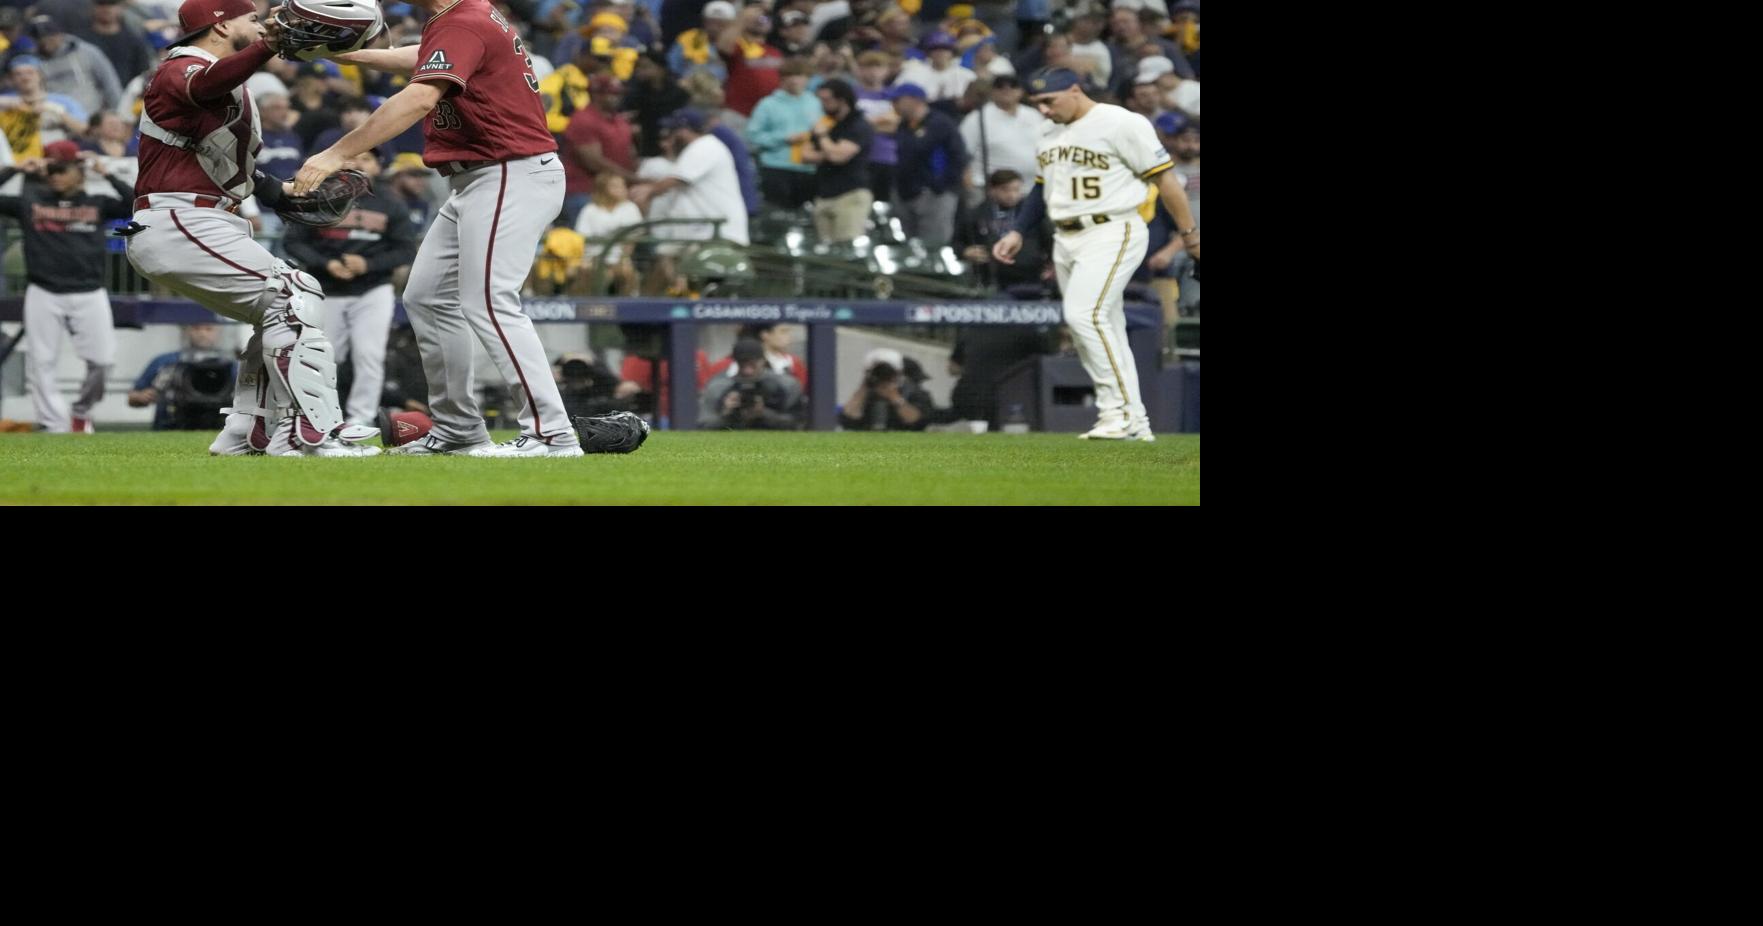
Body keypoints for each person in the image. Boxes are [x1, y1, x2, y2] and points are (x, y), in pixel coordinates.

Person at [311, 0, 584, 457]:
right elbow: (420, 56)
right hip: (482, 178)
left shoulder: (465, 19)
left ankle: (551, 432)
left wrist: (336, 153)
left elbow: (420, 96)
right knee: (427, 297)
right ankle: (458, 430)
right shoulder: (462, 17)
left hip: (507, 172)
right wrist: (348, 55)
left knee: (489, 300)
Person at [121, 0, 379, 457]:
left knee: (275, 310)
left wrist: (276, 192)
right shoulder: (182, 67)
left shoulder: (219, 75)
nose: (261, 26)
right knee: (294, 293)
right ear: (220, 27)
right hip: (181, 216)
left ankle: (248, 430)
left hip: (198, 216)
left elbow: (216, 156)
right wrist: (266, 46)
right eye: (252, 19)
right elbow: (205, 86)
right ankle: (308, 432)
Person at [992, 68, 1199, 442]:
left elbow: (1166, 179)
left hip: (1112, 227)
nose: (1043, 110)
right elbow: (1042, 187)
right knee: (1103, 327)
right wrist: (1019, 230)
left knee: (1084, 315)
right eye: (1037, 103)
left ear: (1074, 89)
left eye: (1048, 101)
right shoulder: (1048, 131)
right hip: (1066, 235)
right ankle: (1134, 421)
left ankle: (1115, 413)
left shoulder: (1121, 122)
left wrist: (1191, 237)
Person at [0, 142, 132, 433]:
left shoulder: (97, 202)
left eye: (62, 169)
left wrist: (106, 172)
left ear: (78, 171)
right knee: (41, 362)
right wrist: (14, 169)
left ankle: (80, 411)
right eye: (51, 169)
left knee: (102, 361)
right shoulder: (31, 200)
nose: (55, 175)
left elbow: (136, 202)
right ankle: (54, 425)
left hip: (89, 290)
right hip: (43, 290)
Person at [280, 152, 416, 427]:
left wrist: (368, 263)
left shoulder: (391, 204)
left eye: (367, 159)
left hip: (372, 289)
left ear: (379, 166)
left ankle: (360, 420)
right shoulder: (319, 196)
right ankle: (318, 417)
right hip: (326, 288)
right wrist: (326, 263)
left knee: (370, 356)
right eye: (351, 158)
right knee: (322, 357)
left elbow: (405, 250)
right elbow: (293, 242)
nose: (358, 164)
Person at [888, 83, 966, 250]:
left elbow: (958, 158)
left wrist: (940, 187)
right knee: (908, 246)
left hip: (933, 195)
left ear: (915, 100)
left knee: (933, 247)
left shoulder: (940, 123)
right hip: (906, 193)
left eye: (897, 100)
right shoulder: (904, 125)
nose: (893, 105)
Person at [128, 322, 238, 431]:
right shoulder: (165, 362)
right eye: (196, 328)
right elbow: (133, 398)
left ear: (218, 332)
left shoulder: (230, 366)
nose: (202, 333)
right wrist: (142, 396)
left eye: (208, 329)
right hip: (169, 427)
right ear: (186, 330)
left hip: (217, 428)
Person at [800, 77, 871, 243]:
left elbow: (837, 157)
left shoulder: (858, 125)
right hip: (824, 193)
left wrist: (823, 138)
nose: (823, 104)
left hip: (850, 194)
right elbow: (804, 155)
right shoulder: (829, 125)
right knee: (825, 247)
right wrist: (831, 150)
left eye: (827, 100)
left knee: (847, 244)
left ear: (842, 100)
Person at [560, 72, 636, 227]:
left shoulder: (619, 120)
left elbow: (629, 152)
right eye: (611, 93)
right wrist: (633, 179)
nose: (617, 97)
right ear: (596, 94)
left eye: (618, 93)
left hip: (617, 189)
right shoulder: (583, 119)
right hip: (586, 191)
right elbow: (594, 163)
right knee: (592, 243)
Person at [746, 56, 820, 210]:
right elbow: (753, 135)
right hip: (776, 166)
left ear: (807, 79)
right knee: (777, 214)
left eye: (800, 76)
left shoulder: (815, 103)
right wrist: (783, 139)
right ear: (782, 79)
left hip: (807, 168)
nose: (794, 81)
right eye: (789, 76)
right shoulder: (767, 104)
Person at [957, 73, 1041, 206]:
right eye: (1000, 86)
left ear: (1021, 91)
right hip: (989, 190)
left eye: (1013, 86)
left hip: (1029, 188)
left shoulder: (1034, 115)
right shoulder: (977, 118)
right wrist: (969, 186)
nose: (1006, 90)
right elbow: (960, 154)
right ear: (992, 91)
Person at [698, 337, 804, 430]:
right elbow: (703, 425)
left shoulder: (785, 385)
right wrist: (726, 414)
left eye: (752, 365)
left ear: (763, 361)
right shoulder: (718, 387)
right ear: (735, 362)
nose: (747, 371)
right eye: (742, 365)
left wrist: (764, 413)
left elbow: (799, 423)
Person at [839, 347, 930, 431]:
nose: (883, 376)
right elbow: (847, 420)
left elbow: (917, 422)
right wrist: (864, 387)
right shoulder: (866, 392)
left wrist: (895, 397)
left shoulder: (914, 393)